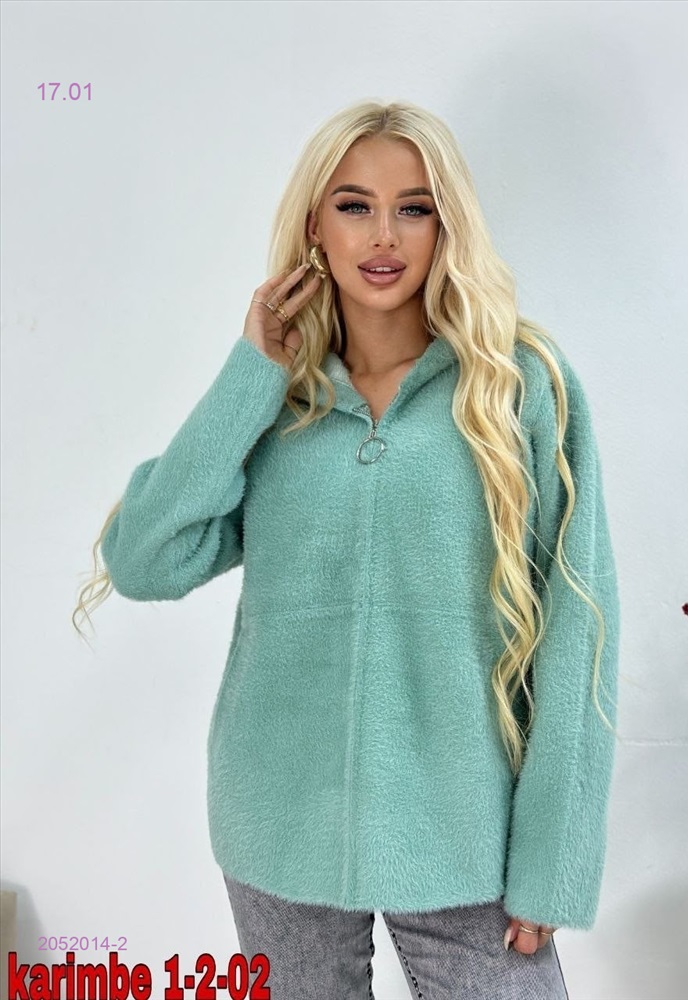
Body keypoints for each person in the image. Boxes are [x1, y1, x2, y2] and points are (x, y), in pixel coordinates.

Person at [72, 99, 620, 1000]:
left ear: (448, 225)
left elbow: (580, 629)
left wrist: (554, 861)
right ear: (314, 227)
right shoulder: (278, 402)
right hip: (276, 824)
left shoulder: (520, 387)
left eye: (415, 207)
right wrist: (251, 373)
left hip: (465, 834)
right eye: (355, 204)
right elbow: (143, 561)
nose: (384, 235)